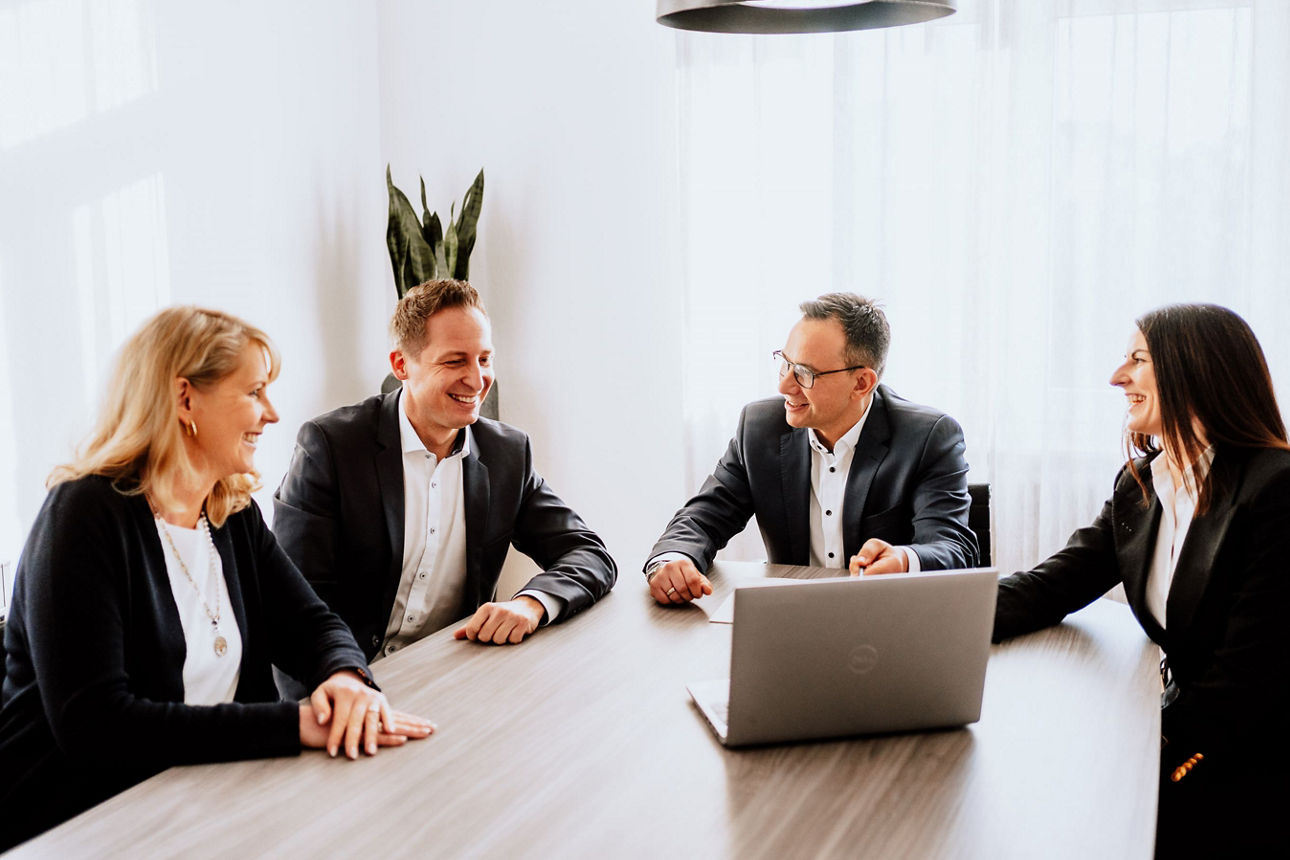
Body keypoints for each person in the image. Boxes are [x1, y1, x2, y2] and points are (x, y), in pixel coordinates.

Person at [0, 307, 432, 852]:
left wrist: (345, 680)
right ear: (185, 400)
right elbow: (97, 727)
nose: (271, 414)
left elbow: (311, 624)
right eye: (254, 392)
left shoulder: (229, 511)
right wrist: (294, 725)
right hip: (77, 825)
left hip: (207, 799)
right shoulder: (83, 515)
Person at [992, 303, 1289, 856]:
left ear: (1193, 369)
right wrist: (932, 617)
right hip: (1185, 728)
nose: (1116, 377)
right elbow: (1052, 584)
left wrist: (1143, 750)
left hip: (1250, 757)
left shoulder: (1275, 489)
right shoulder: (1141, 486)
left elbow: (1248, 676)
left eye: (1137, 359)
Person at [273, 279, 616, 661]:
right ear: (402, 364)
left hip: (455, 672)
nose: (476, 379)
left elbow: (588, 554)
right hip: (346, 678)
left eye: (484, 359)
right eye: (455, 361)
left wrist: (531, 603)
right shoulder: (330, 446)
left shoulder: (507, 454)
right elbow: (292, 603)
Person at [646, 292, 977, 604]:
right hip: (792, 618)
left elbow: (952, 547)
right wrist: (674, 559)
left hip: (888, 617)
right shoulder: (759, 427)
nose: (784, 385)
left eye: (804, 373)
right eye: (784, 363)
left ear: (861, 382)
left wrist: (904, 559)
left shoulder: (928, 437)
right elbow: (702, 518)